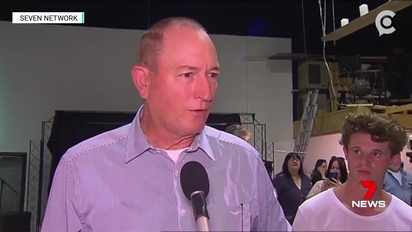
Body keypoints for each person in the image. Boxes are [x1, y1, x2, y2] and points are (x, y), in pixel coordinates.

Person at [41, 17, 292, 232]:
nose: (205, 92)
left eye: (212, 75)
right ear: (143, 81)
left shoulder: (244, 162)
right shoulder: (80, 169)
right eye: (187, 75)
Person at [293, 112, 412, 231]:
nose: (364, 161)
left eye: (376, 154)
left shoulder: (407, 220)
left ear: (392, 159)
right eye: (357, 151)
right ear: (346, 153)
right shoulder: (311, 214)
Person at [273, 152, 311, 224]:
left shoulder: (306, 179)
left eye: (297, 160)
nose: (295, 161)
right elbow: (274, 199)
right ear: (286, 163)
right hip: (286, 220)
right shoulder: (280, 179)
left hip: (304, 218)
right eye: (292, 160)